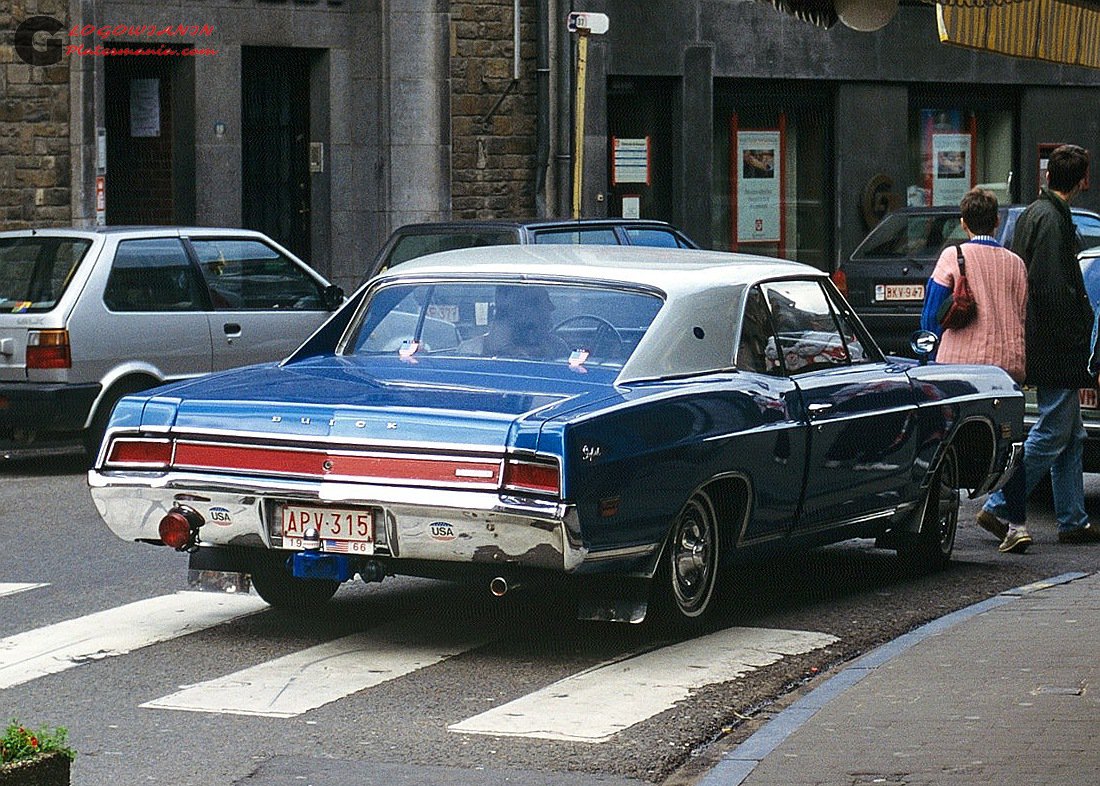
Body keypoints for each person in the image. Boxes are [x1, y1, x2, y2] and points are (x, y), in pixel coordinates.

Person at [981, 144, 1100, 545]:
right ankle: (999, 504)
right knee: (1052, 431)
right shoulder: (1052, 219)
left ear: (1049, 176)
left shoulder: (1036, 213)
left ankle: (1072, 519)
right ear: (1083, 180)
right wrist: (1076, 337)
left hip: (1043, 338)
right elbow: (1051, 288)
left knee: (1071, 434)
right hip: (1055, 343)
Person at [920, 188, 1030, 553]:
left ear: (963, 223)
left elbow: (932, 312)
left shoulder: (955, 255)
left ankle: (938, 520)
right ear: (996, 221)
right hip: (1007, 367)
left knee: (945, 445)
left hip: (961, 369)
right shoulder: (1016, 263)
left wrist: (925, 353)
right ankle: (1017, 524)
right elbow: (1021, 312)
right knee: (1012, 445)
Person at [460, 284, 568, 359]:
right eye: (535, 302)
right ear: (517, 310)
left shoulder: (557, 347)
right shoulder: (470, 351)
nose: (551, 307)